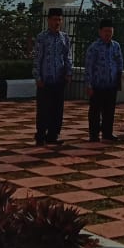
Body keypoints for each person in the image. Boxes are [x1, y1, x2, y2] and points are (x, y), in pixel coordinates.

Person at [33, 8, 72, 145]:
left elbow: (67, 56)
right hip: (45, 80)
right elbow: (37, 58)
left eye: (59, 19)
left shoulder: (64, 38)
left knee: (57, 110)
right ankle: (40, 136)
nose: (57, 22)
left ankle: (53, 135)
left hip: (59, 79)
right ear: (48, 20)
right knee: (44, 110)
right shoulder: (42, 37)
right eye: (55, 19)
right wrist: (38, 77)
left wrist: (68, 72)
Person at [84, 20, 124, 141]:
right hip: (97, 85)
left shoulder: (116, 46)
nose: (108, 34)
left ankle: (107, 133)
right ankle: (94, 134)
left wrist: (118, 80)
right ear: (100, 32)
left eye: (110, 32)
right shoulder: (94, 47)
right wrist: (89, 85)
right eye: (106, 31)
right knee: (95, 112)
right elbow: (89, 67)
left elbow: (119, 63)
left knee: (109, 111)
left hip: (111, 84)